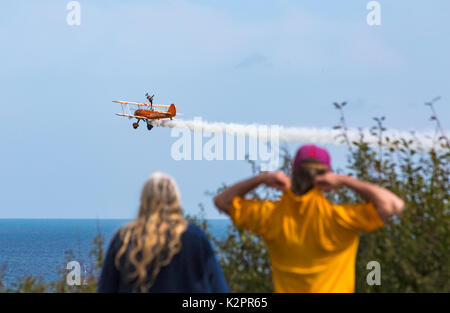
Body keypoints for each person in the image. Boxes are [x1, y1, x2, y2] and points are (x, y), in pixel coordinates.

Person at [214, 144, 404, 293]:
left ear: (293, 171)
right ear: (327, 177)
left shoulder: (269, 216)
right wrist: (346, 181)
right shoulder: (339, 219)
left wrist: (262, 178)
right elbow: (393, 205)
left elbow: (222, 201)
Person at [98, 172, 229, 293]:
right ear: (176, 200)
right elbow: (219, 288)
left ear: (143, 200)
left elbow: (106, 288)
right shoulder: (196, 238)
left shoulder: (124, 239)